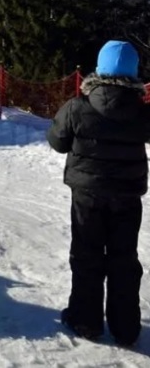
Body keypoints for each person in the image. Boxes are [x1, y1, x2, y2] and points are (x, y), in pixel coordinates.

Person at [47, 40, 150, 346]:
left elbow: (57, 141)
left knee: (87, 255)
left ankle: (85, 320)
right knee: (123, 259)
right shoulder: (142, 112)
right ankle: (126, 327)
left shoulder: (77, 106)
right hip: (127, 196)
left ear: (99, 68)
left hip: (87, 196)